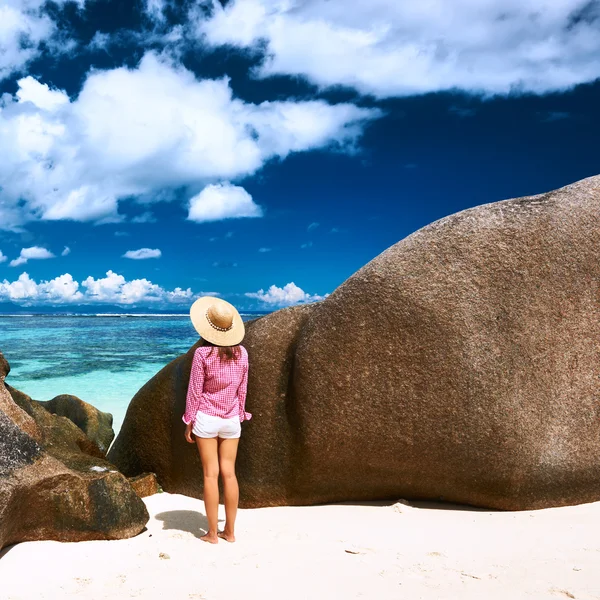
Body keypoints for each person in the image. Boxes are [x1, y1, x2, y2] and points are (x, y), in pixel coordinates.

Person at [182, 297, 251, 544]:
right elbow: (242, 389)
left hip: (207, 418)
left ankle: (212, 533)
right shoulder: (242, 353)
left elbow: (194, 391)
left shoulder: (203, 353)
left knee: (211, 475)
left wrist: (189, 420)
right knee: (229, 474)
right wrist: (240, 414)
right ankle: (230, 532)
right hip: (232, 419)